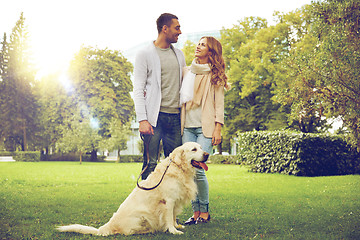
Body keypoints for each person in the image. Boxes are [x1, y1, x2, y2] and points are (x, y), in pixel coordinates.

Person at [180, 36, 229, 224]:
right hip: (187, 128)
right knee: (189, 171)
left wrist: (218, 128)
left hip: (205, 128)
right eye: (198, 44)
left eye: (203, 45)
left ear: (211, 51)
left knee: (199, 170)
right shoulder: (187, 72)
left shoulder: (215, 74)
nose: (198, 47)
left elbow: (219, 105)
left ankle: (205, 212)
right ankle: (195, 213)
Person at [133, 13, 186, 180]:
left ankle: (168, 204)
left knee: (175, 166)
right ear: (165, 28)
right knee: (151, 165)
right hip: (153, 119)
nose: (180, 32)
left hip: (175, 118)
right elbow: (138, 88)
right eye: (177, 28)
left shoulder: (179, 55)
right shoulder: (145, 54)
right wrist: (142, 120)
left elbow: (187, 82)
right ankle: (145, 204)